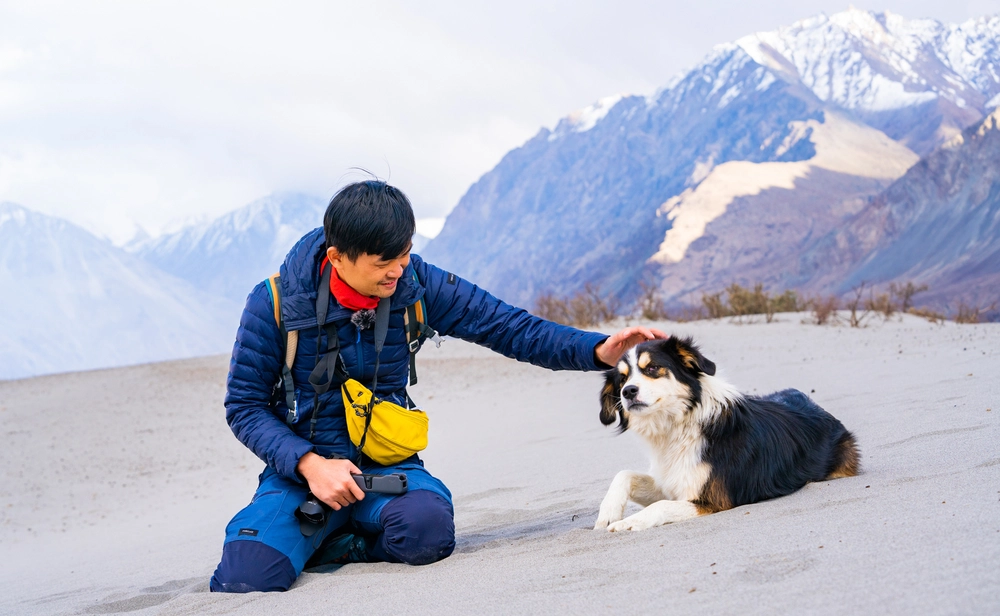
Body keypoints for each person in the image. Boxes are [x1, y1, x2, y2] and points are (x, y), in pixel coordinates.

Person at [210, 180, 665, 592]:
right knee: (246, 575)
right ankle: (317, 528)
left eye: (405, 253)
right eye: (384, 262)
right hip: (302, 477)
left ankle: (342, 540)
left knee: (427, 534)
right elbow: (245, 407)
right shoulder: (273, 303)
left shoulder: (417, 284)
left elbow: (509, 327)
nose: (399, 270)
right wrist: (309, 465)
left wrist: (597, 350)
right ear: (337, 257)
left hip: (386, 469)